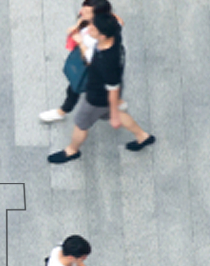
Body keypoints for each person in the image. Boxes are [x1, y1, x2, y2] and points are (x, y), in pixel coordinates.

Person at [47, 15, 156, 164]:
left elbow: (112, 88)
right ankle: (142, 136)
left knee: (80, 124)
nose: (89, 30)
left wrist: (82, 43)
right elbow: (119, 21)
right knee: (115, 113)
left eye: (93, 29)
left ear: (102, 35)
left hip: (97, 98)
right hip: (105, 94)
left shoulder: (105, 60)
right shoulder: (115, 34)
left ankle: (72, 150)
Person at [40, 0, 121, 123]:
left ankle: (63, 111)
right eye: (83, 8)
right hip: (99, 70)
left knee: (75, 89)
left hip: (91, 70)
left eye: (87, 11)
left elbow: (91, 60)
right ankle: (111, 106)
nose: (82, 12)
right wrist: (79, 26)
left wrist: (81, 43)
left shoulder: (97, 37)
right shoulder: (103, 23)